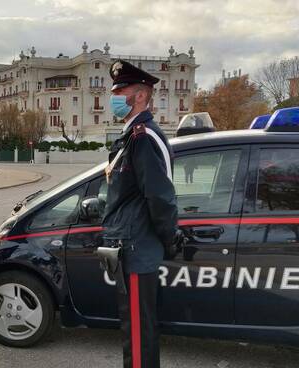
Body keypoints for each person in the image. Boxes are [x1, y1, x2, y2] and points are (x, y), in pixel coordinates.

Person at [102, 60, 181, 368]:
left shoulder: (144, 137)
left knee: (138, 334)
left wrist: (168, 239)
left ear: (139, 95)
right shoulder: (132, 136)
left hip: (138, 249)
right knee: (134, 331)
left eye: (120, 90)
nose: (115, 97)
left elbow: (160, 197)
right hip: (131, 246)